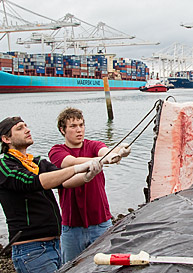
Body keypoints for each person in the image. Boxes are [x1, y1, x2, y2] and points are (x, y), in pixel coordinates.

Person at [0, 117, 103, 273]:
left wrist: (87, 176)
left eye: (26, 126)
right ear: (6, 139)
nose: (27, 130)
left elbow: (64, 181)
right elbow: (33, 182)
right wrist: (77, 168)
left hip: (54, 245)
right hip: (31, 249)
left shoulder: (37, 163)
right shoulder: (2, 166)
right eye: (20, 128)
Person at [48, 107, 131, 263]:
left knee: (106, 267)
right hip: (71, 227)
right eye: (73, 126)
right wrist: (102, 160)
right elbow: (69, 162)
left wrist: (118, 152)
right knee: (71, 267)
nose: (79, 130)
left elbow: (104, 151)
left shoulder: (93, 145)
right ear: (62, 130)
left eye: (81, 125)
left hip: (101, 223)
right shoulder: (56, 151)